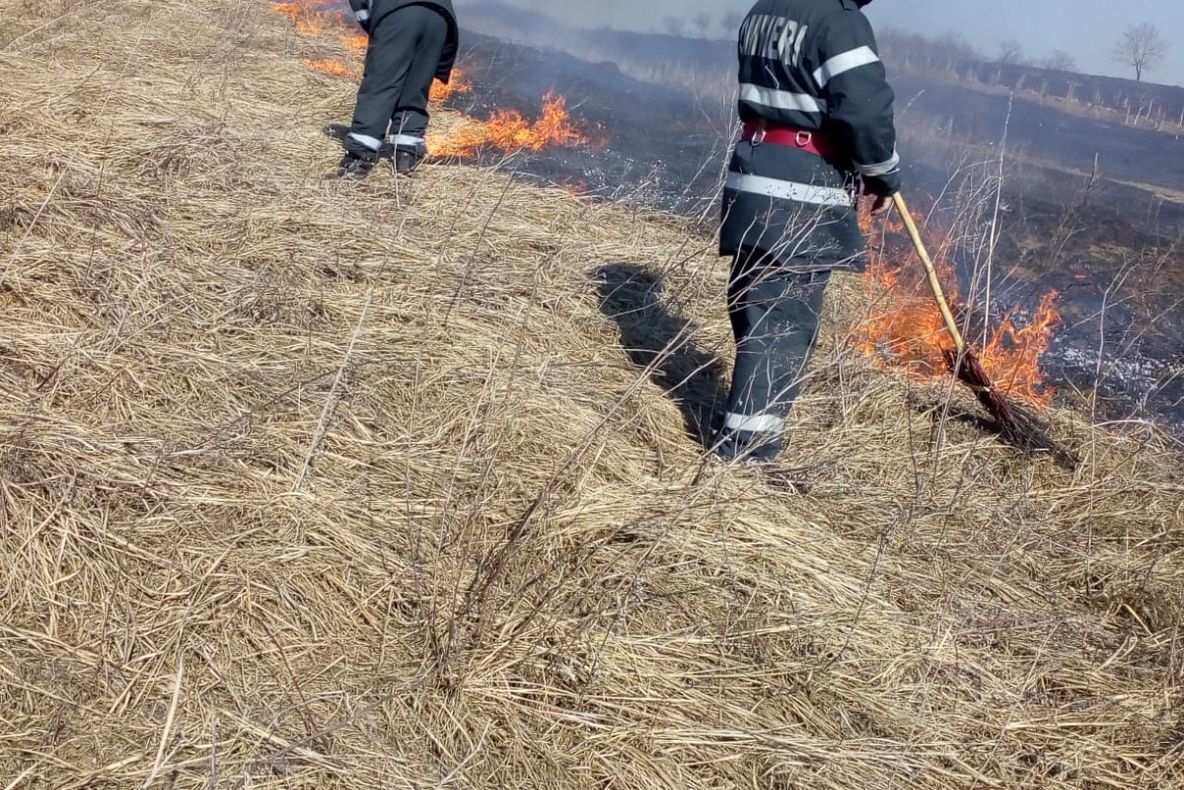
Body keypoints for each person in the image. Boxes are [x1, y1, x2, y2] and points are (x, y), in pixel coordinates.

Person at [716, 0, 900, 464]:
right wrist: (883, 174)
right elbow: (863, 109)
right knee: (783, 323)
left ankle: (741, 431)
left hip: (752, 177)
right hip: (797, 190)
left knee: (755, 307)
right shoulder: (839, 21)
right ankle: (748, 456)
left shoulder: (766, 8)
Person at [338, 0, 459, 180]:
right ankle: (406, 156)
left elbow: (361, 8)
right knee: (415, 87)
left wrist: (378, 28)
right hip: (440, 18)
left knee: (380, 85)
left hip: (399, 12)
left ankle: (358, 161)